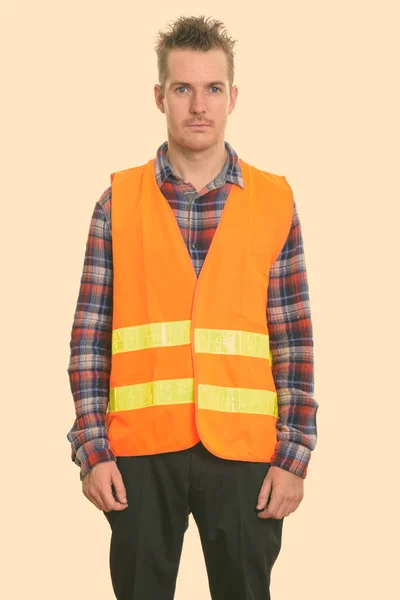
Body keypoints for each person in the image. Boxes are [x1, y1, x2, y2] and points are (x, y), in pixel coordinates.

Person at [66, 14, 318, 600]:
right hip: (138, 456)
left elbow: (293, 340)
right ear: (160, 96)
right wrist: (92, 451)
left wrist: (295, 455)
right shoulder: (117, 203)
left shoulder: (274, 200)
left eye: (211, 89)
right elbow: (88, 341)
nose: (197, 105)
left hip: (248, 456)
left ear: (233, 96)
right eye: (182, 88)